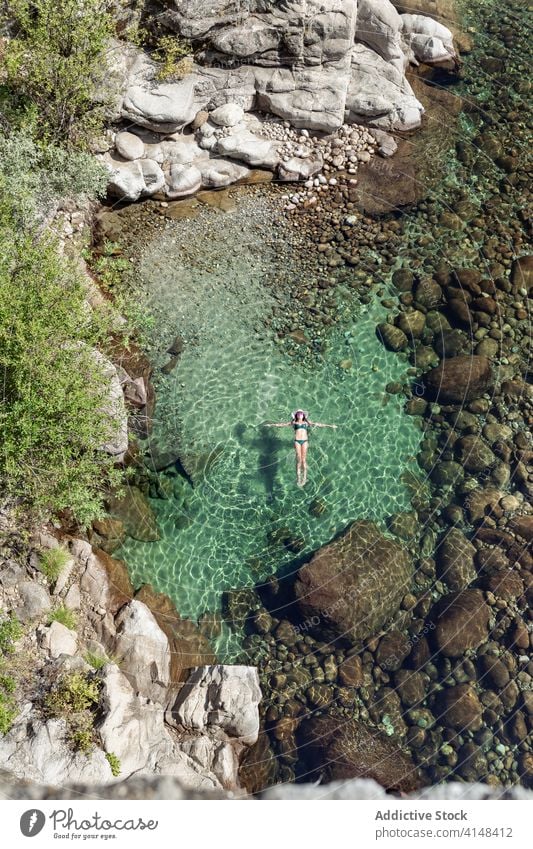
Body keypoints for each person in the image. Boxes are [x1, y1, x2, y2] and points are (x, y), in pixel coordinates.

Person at [265, 409, 337, 487]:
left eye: (301, 413)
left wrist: (330, 426)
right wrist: (271, 425)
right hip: (297, 441)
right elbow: (283, 425)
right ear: (296, 415)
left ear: (303, 415)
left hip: (305, 441)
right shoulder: (294, 422)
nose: (300, 414)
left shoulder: (306, 423)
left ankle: (304, 478)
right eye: (298, 413)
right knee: (299, 459)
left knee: (304, 460)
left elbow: (318, 424)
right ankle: (299, 478)